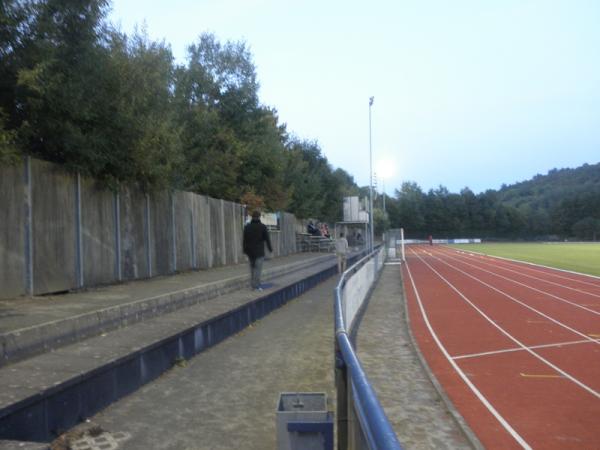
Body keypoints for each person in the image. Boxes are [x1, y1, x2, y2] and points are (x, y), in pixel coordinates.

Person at [243, 211, 273, 291]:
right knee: (258, 269)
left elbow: (244, 240)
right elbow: (267, 239)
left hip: (250, 251)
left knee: (252, 268)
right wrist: (270, 249)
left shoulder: (247, 227)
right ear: (259, 217)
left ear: (252, 217)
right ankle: (256, 286)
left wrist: (244, 250)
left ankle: (253, 285)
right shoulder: (262, 227)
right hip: (259, 251)